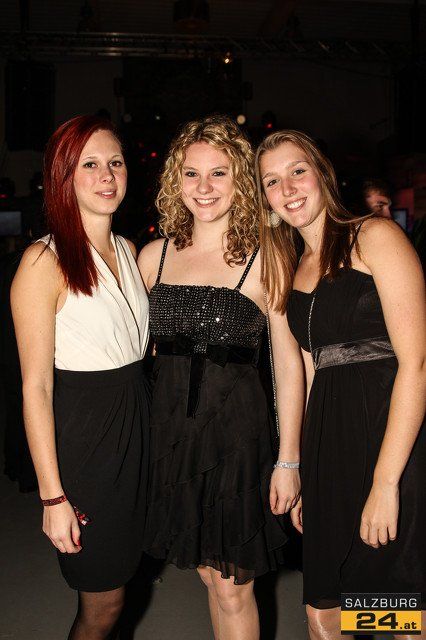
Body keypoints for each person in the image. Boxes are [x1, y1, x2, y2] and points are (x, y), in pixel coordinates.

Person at [255, 130, 426, 640]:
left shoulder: (374, 237)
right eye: (271, 181)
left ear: (322, 174)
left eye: (297, 171)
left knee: (394, 611)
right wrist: (301, 468)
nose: (287, 188)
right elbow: (305, 373)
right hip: (329, 444)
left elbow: (417, 364)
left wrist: (385, 483)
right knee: (325, 611)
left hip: (389, 438)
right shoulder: (290, 267)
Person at [138, 115, 300, 640]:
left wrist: (289, 460)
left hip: (236, 438)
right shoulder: (153, 256)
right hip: (170, 434)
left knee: (232, 584)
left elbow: (289, 365)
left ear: (241, 181)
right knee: (209, 575)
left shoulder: (267, 255)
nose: (204, 187)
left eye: (219, 173)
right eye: (191, 173)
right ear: (175, 180)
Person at [11, 115, 150, 640]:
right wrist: (52, 497)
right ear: (63, 177)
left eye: (115, 162)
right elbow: (36, 388)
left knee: (125, 583)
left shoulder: (130, 251)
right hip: (88, 444)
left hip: (137, 432)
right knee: (103, 603)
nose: (107, 175)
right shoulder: (42, 261)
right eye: (89, 164)